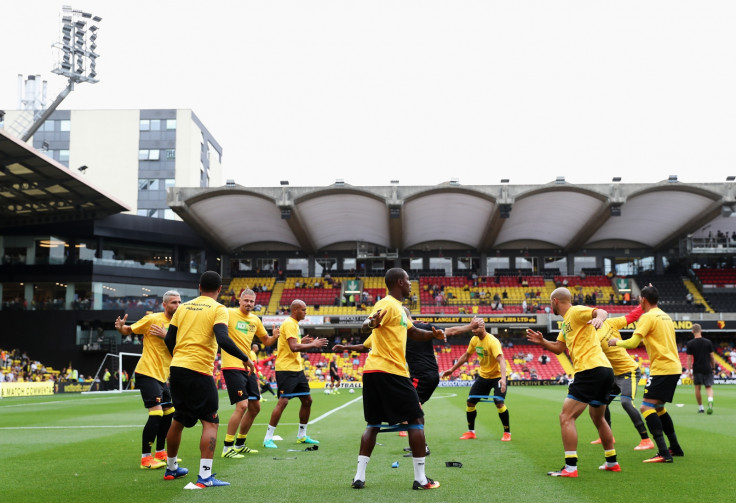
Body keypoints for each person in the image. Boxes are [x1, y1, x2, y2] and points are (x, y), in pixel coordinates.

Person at [351, 268, 445, 491]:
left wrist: (433, 334)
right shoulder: (388, 304)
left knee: (373, 423)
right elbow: (369, 324)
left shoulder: (400, 311)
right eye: (408, 281)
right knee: (416, 420)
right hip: (392, 371)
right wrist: (372, 322)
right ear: (400, 282)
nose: (411, 284)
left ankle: (359, 477)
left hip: (372, 372)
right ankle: (421, 480)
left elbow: (413, 333)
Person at [163, 271, 255, 488]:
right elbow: (223, 338)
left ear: (199, 286)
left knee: (178, 419)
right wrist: (246, 358)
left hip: (177, 369)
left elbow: (169, 338)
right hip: (199, 371)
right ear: (220, 289)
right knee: (211, 422)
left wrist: (178, 357)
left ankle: (171, 468)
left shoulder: (183, 307)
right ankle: (205, 477)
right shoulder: (218, 309)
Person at [526, 287, 618, 478]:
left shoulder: (575, 312)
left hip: (589, 370)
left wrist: (600, 318)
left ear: (555, 301)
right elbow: (559, 348)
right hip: (604, 370)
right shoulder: (565, 323)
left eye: (550, 303)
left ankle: (570, 468)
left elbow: (600, 311)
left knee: (566, 417)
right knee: (598, 417)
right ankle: (612, 462)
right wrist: (542, 342)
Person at [607, 285, 684, 463]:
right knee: (659, 407)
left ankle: (663, 453)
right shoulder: (665, 316)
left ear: (643, 299)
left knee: (646, 407)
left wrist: (616, 342)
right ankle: (675, 447)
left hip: (662, 368)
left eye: (639, 299)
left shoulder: (647, 317)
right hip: (673, 366)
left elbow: (634, 342)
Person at [114, 290, 182, 469]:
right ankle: (146, 458)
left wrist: (165, 336)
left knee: (169, 412)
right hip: (146, 372)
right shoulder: (152, 319)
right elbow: (128, 330)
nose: (177, 305)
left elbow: (180, 348)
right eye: (174, 302)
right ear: (164, 304)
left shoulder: (179, 324)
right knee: (157, 412)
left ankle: (160, 452)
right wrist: (121, 328)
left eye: (179, 302)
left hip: (162, 375)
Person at [220, 288, 279, 459]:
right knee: (242, 405)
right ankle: (227, 447)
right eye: (246, 300)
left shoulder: (255, 320)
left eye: (252, 301)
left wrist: (274, 337)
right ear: (239, 300)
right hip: (232, 365)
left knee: (255, 406)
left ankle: (240, 443)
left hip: (249, 368)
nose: (249, 304)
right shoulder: (228, 313)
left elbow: (266, 341)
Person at [262, 300, 327, 448]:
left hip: (297, 369)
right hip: (286, 369)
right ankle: (268, 438)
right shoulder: (290, 323)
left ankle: (302, 435)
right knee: (283, 401)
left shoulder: (294, 324)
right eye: (303, 310)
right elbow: (293, 347)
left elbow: (294, 343)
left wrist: (301, 341)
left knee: (307, 400)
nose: (306, 312)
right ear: (295, 310)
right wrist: (313, 344)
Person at [589, 304, 654, 451]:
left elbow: (632, 316)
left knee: (626, 402)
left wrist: (643, 303)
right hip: (614, 375)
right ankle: (607, 436)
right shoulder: (590, 335)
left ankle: (646, 440)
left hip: (629, 371)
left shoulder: (611, 323)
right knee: (601, 403)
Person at [442, 319, 511, 442]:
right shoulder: (474, 340)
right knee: (470, 402)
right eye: (472, 328)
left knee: (499, 402)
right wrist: (452, 370)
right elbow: (466, 356)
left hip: (497, 377)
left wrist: (503, 379)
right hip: (483, 376)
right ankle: (471, 432)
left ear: (483, 327)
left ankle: (507, 433)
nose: (473, 330)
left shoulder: (492, 341)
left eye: (475, 328)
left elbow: (501, 360)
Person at [686, 323, 715, 414]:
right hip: (707, 367)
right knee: (708, 387)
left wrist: (689, 371)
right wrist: (713, 368)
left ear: (692, 332)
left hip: (697, 368)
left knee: (697, 388)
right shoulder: (708, 342)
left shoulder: (690, 343)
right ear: (701, 331)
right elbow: (712, 357)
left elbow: (689, 358)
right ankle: (710, 400)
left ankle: (701, 408)